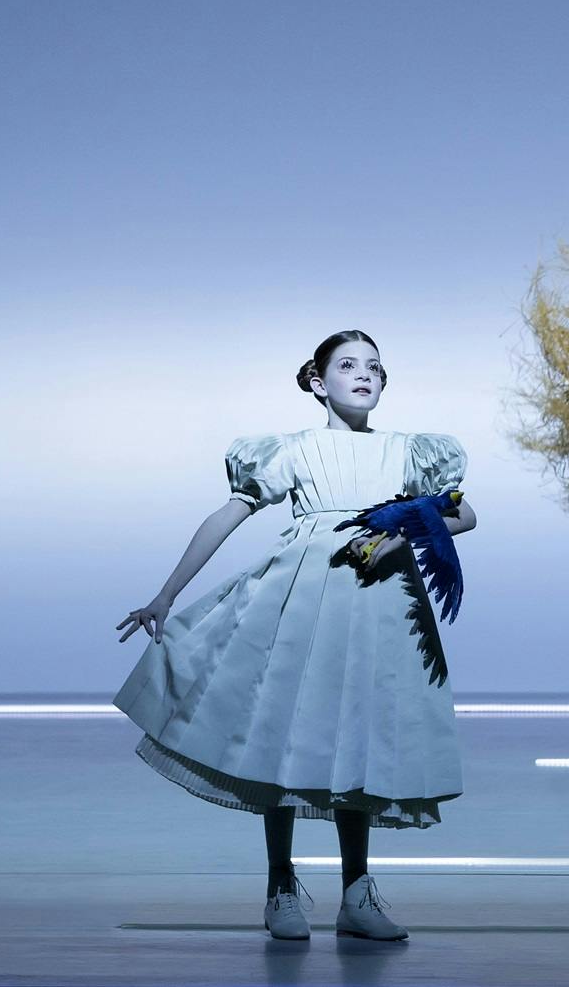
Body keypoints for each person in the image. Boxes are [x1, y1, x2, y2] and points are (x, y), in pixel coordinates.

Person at [113, 329, 475, 942]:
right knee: (283, 727)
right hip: (302, 593)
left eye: (375, 368)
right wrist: (166, 593)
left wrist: (406, 532)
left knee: (358, 731)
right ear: (317, 381)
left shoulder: (410, 452)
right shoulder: (292, 450)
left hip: (378, 596)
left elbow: (462, 512)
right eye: (348, 365)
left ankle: (356, 894)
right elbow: (228, 512)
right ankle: (280, 887)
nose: (364, 375)